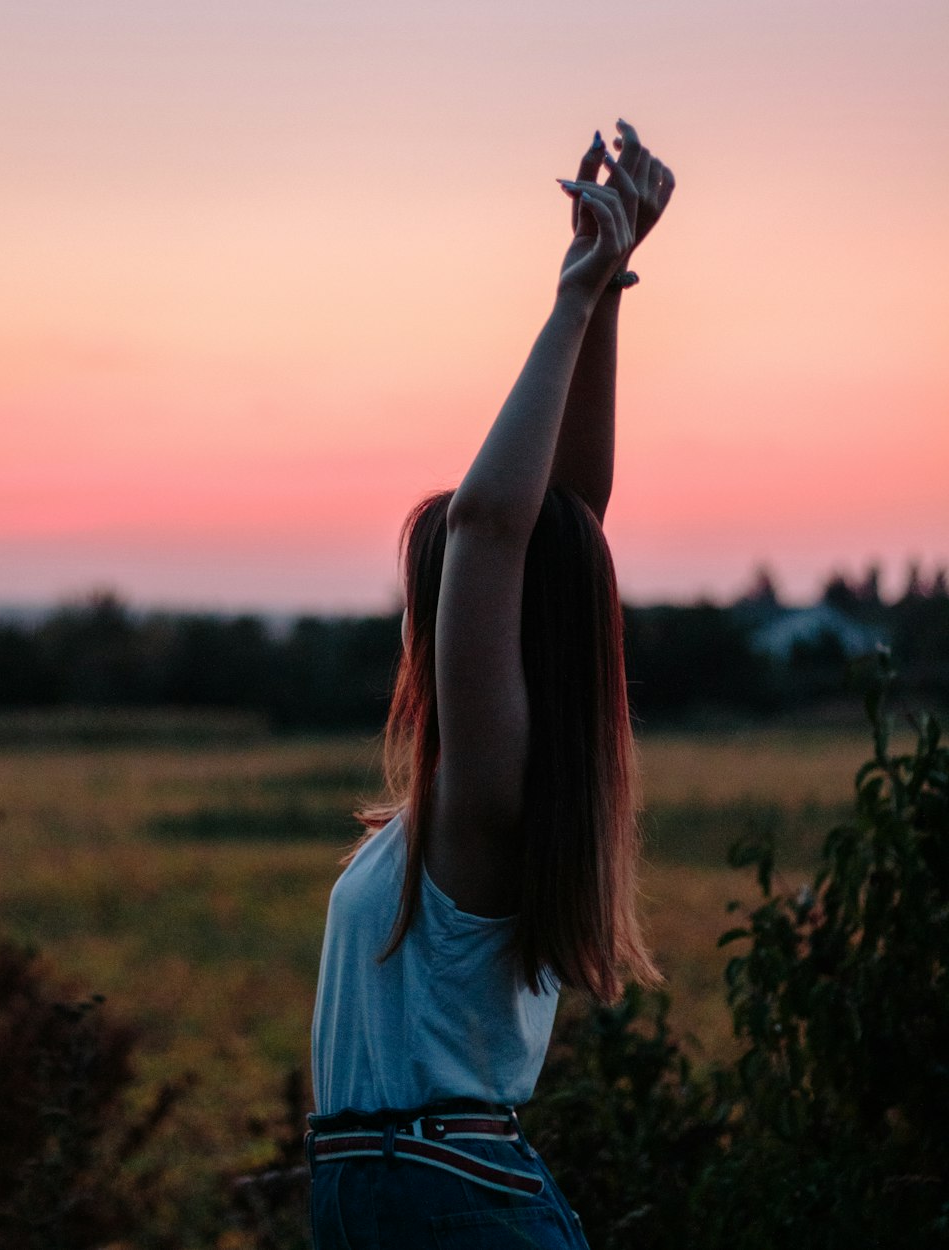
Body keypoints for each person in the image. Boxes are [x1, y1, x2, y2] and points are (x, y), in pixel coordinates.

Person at [306, 119, 675, 1249]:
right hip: (430, 1195)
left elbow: (500, 526)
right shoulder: (467, 805)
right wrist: (607, 294)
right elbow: (574, 526)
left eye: (446, 584)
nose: (427, 607)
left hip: (442, 1200)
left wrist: (569, 298)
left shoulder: (488, 797)